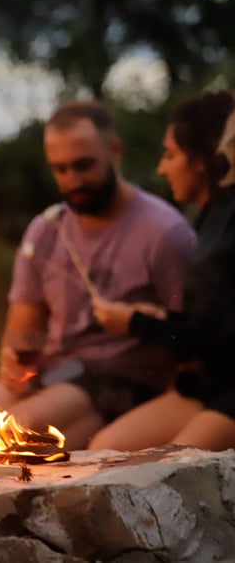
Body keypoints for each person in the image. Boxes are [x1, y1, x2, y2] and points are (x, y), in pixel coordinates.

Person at [0, 99, 195, 449]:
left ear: (114, 150)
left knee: (16, 431)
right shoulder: (45, 231)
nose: (72, 180)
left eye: (83, 165)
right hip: (55, 374)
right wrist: (14, 363)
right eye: (60, 169)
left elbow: (193, 336)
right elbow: (21, 333)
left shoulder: (165, 233)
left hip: (123, 385)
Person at [89, 90, 235, 451]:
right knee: (106, 449)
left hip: (229, 391)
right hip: (208, 385)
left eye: (170, 155)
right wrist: (161, 319)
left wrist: (137, 323)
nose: (161, 168)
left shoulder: (227, 224)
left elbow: (217, 337)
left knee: (171, 469)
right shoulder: (213, 217)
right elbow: (211, 322)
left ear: (201, 158)